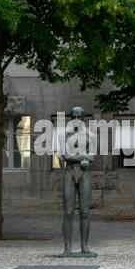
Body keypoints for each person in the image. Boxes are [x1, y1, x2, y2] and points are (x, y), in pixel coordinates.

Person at [58, 106, 97, 257]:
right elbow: (66, 156)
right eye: (74, 117)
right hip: (69, 173)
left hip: (84, 174)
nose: (76, 120)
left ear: (83, 119)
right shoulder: (63, 135)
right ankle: (67, 247)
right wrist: (83, 157)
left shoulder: (90, 135)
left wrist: (87, 158)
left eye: (79, 117)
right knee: (68, 211)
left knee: (85, 211)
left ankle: (85, 246)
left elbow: (92, 156)